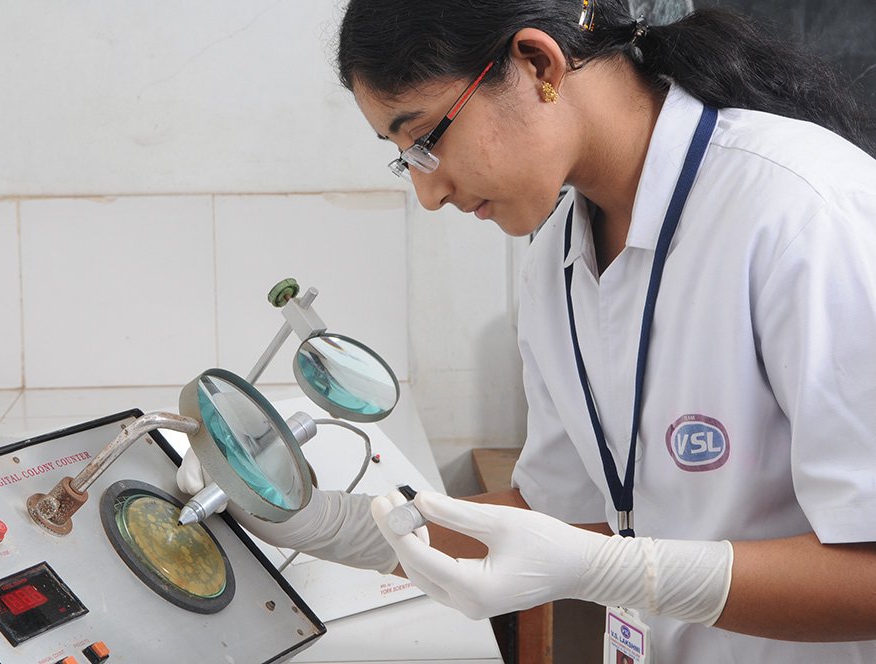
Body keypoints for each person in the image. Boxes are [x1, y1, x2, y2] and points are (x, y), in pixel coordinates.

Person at [179, 0, 876, 660]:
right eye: (405, 156)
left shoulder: (804, 213)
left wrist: (619, 570)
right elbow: (560, 515)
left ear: (539, 63)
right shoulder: (560, 256)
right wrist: (330, 522)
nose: (429, 192)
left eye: (426, 140)